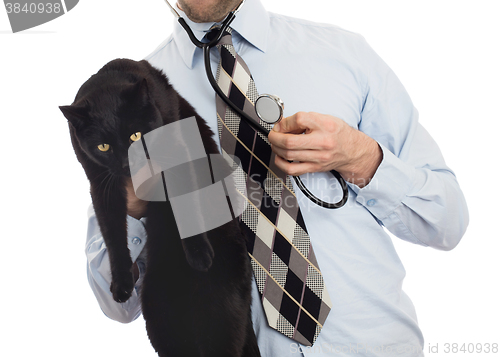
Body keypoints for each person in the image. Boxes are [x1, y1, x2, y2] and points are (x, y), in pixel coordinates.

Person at [85, 0, 469, 356]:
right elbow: (117, 303)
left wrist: (362, 158)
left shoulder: (343, 54)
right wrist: (134, 206)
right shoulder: (131, 99)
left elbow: (445, 222)